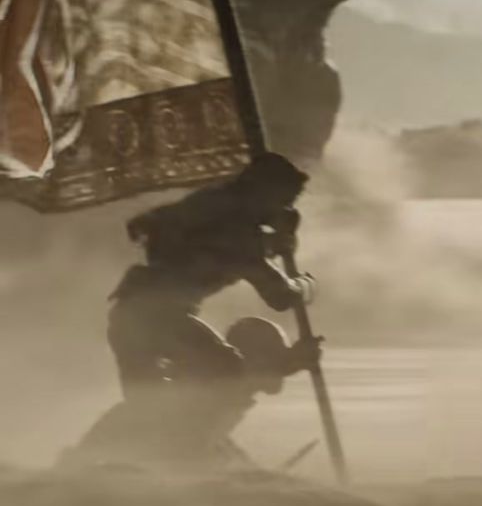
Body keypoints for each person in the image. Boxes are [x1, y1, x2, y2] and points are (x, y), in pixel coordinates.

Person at [109, 152, 316, 400]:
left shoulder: (208, 208)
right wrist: (306, 284)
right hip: (157, 318)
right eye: (284, 201)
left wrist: (276, 241)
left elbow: (202, 244)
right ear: (264, 193)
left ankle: (176, 431)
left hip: (130, 313)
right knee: (226, 372)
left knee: (148, 401)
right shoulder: (237, 230)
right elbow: (280, 296)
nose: (287, 209)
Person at [62, 317, 321, 472]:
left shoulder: (218, 394)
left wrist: (252, 472)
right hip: (121, 464)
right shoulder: (214, 388)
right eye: (271, 359)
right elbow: (193, 442)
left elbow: (215, 440)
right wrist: (292, 363)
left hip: (133, 454)